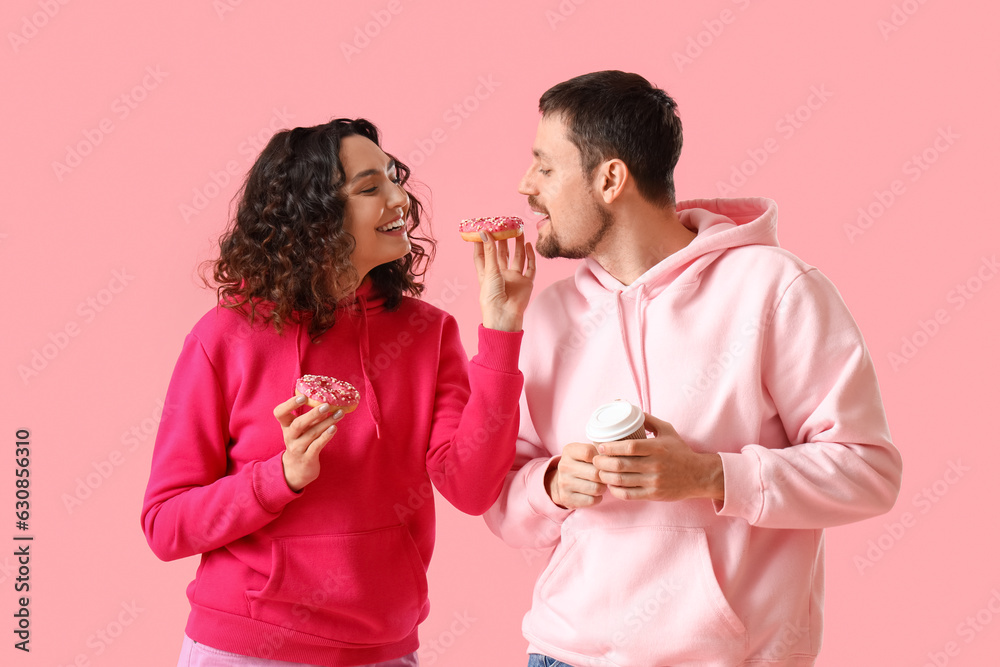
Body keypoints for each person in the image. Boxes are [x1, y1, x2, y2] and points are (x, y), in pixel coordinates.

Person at [484, 71, 903, 667]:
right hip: (562, 655)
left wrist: (711, 477)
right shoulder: (549, 315)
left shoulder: (774, 289)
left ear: (610, 179)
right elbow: (504, 502)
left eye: (546, 167)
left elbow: (868, 472)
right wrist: (552, 486)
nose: (527, 186)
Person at [141, 118, 535, 666]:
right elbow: (165, 525)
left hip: (384, 650)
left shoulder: (428, 332)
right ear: (313, 217)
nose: (400, 198)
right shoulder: (225, 339)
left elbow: (471, 489)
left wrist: (501, 328)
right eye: (370, 187)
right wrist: (280, 477)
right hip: (246, 647)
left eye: (394, 178)